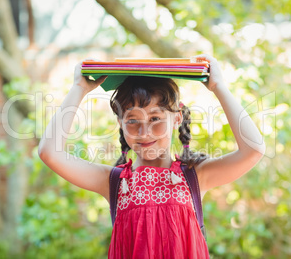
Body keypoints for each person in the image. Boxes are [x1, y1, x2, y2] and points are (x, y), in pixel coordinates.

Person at [38, 54, 266, 258]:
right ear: (120, 123)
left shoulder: (194, 177)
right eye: (132, 121)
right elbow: (49, 152)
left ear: (177, 118)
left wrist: (219, 87)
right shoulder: (114, 182)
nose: (144, 132)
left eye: (155, 119)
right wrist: (79, 88)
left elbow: (253, 149)